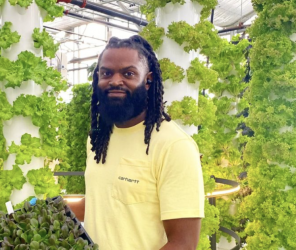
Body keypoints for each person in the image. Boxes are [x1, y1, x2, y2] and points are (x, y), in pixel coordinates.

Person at [68, 35, 205, 250]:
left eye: (128, 73)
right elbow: (102, 201)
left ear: (148, 80)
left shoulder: (173, 146)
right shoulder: (98, 139)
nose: (114, 81)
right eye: (106, 73)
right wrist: (55, 206)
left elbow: (183, 243)